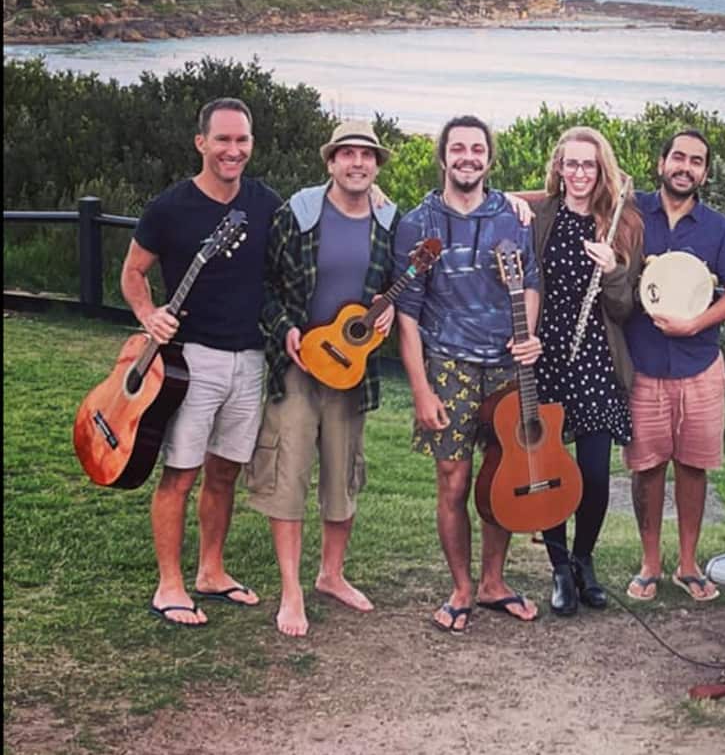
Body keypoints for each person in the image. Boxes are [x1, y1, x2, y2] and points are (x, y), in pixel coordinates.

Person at [122, 97, 282, 626]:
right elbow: (133, 272)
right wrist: (149, 315)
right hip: (190, 361)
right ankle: (169, 585)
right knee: (180, 475)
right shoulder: (169, 208)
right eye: (223, 140)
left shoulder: (265, 204)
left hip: (250, 358)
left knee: (224, 474)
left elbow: (323, 216)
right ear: (201, 143)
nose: (233, 151)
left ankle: (210, 572)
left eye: (242, 141)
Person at [247, 120, 399, 636]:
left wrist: (390, 314)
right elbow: (264, 283)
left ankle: (330, 574)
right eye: (347, 154)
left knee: (343, 475)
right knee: (286, 475)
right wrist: (284, 328)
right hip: (297, 365)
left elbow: (397, 289)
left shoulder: (389, 221)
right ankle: (291, 591)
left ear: (377, 167)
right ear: (330, 162)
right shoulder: (299, 214)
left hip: (351, 371)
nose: (357, 163)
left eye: (367, 156)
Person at [396, 115, 543, 634]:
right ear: (442, 157)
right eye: (458, 148)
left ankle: (493, 582)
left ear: (489, 158)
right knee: (453, 480)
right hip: (448, 365)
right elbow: (407, 313)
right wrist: (419, 388)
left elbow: (531, 282)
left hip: (506, 367)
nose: (468, 157)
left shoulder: (512, 215)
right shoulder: (417, 224)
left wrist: (528, 333)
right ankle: (461, 587)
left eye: (477, 149)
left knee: (502, 477)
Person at [623, 129, 725, 602]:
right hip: (643, 365)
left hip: (699, 365)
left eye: (696, 161)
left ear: (705, 173)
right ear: (661, 163)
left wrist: (697, 323)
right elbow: (573, 191)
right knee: (647, 467)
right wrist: (510, 199)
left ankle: (689, 565)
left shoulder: (717, 228)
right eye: (678, 157)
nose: (686, 167)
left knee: (693, 466)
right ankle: (650, 564)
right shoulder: (630, 211)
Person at [529, 126, 644, 615]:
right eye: (570, 164)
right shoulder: (540, 216)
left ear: (602, 171)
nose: (578, 173)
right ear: (559, 167)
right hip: (547, 356)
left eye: (588, 165)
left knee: (595, 476)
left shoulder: (622, 224)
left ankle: (583, 559)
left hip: (596, 357)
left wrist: (614, 269)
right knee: (549, 470)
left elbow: (625, 309)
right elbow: (498, 198)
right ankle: (557, 566)